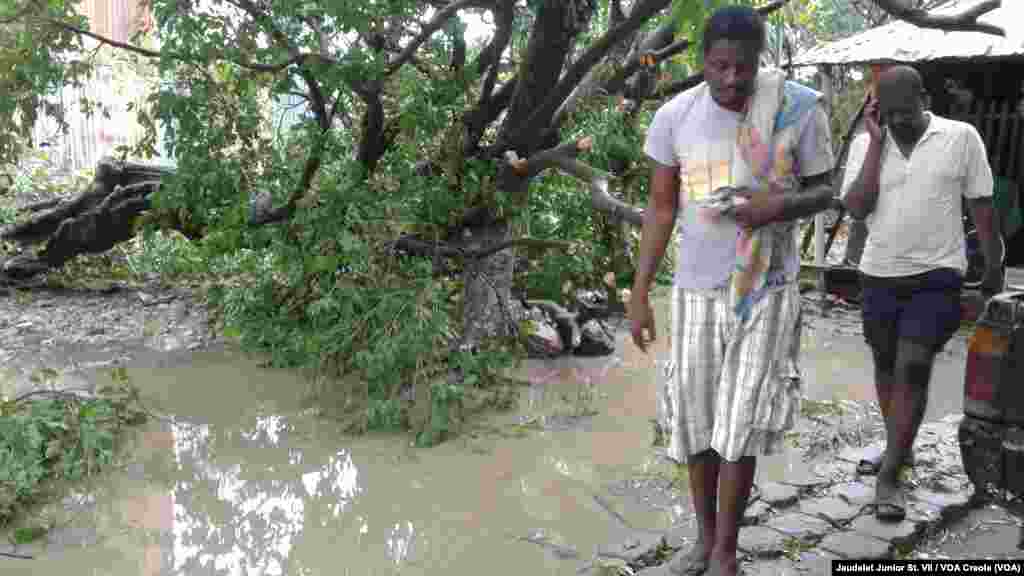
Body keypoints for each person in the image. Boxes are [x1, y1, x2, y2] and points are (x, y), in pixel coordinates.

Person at [629, 6, 837, 575]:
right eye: (719, 65)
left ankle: (727, 551)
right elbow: (662, 207)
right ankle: (702, 538)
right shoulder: (676, 115)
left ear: (759, 62)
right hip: (695, 288)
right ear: (702, 61)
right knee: (695, 420)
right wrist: (640, 291)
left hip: (766, 287)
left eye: (742, 68)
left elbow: (826, 191)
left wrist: (777, 206)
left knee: (738, 425)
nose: (731, 79)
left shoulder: (797, 108)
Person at [840, 65, 1003, 521]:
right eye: (889, 114)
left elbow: (982, 206)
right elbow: (855, 207)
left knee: (913, 366)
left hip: (938, 274)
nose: (898, 121)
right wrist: (875, 142)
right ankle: (899, 447)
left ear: (925, 98)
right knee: (886, 364)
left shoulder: (961, 136)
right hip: (879, 273)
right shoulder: (867, 144)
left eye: (905, 111)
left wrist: (993, 266)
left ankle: (889, 476)